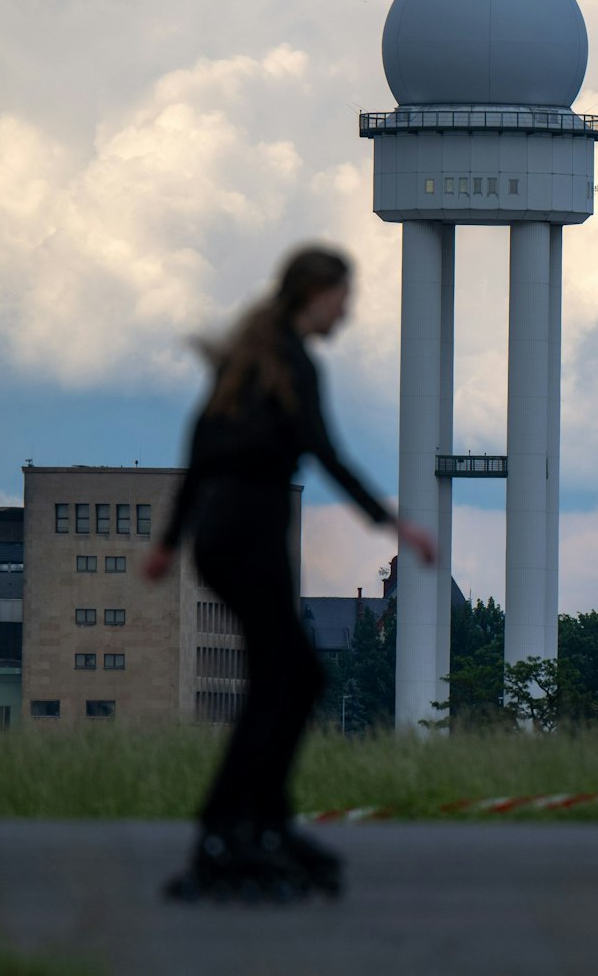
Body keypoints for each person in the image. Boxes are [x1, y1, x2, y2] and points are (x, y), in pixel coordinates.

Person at [143, 244, 436, 901]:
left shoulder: (251, 361)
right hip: (248, 537)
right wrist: (395, 524)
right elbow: (326, 453)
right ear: (315, 294)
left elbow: (200, 448)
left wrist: (170, 542)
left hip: (227, 537)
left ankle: (260, 825)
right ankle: (230, 831)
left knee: (288, 677)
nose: (347, 311)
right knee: (289, 678)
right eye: (343, 298)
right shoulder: (289, 364)